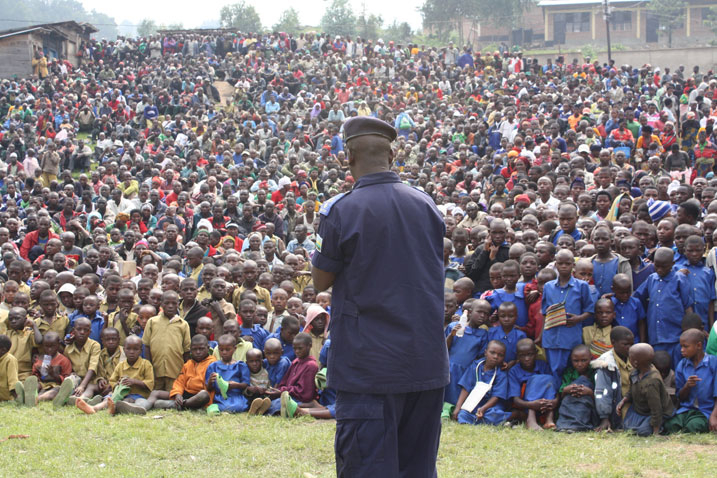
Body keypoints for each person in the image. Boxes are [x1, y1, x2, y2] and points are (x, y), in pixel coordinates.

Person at [311, 117, 448, 477]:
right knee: (417, 468)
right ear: (393, 154)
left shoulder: (340, 210)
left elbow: (319, 281)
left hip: (367, 364)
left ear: (347, 157)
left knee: (366, 468)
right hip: (424, 361)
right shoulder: (426, 204)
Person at [664, 329, 717, 433]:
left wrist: (714, 416)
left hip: (706, 411)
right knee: (670, 426)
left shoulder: (713, 363)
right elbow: (680, 396)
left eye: (686, 346)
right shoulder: (682, 365)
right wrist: (687, 386)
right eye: (681, 346)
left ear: (698, 346)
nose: (682, 350)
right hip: (687, 410)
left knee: (693, 427)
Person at [618, 343, 674, 436]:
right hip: (640, 410)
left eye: (630, 358)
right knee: (627, 428)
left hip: (654, 413)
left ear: (635, 362)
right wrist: (624, 401)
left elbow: (656, 408)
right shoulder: (635, 373)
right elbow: (632, 390)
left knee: (643, 432)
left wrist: (656, 431)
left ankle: (658, 427)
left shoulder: (652, 382)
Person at [148, 335, 216, 411]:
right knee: (155, 393)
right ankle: (143, 407)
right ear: (190, 350)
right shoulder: (188, 364)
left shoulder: (212, 363)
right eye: (194, 349)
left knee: (204, 395)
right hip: (185, 393)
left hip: (199, 395)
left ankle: (180, 405)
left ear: (208, 348)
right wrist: (178, 394)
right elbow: (179, 382)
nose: (198, 352)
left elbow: (211, 387)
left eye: (201, 349)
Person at [452, 340, 511, 426]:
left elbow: (496, 397)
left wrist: (483, 408)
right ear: (485, 352)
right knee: (463, 414)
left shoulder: (501, 374)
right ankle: (482, 421)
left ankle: (513, 415)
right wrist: (458, 407)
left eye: (500, 355)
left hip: (490, 406)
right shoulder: (475, 366)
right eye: (492, 353)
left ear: (504, 357)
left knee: (493, 414)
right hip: (474, 403)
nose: (495, 357)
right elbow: (465, 388)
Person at [142, 291, 191, 392]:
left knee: (172, 392)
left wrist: (185, 370)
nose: (170, 306)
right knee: (154, 391)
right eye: (167, 303)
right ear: (161, 304)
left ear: (178, 304)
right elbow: (146, 345)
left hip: (175, 369)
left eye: (174, 303)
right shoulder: (152, 322)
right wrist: (149, 366)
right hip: (156, 368)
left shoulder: (183, 324)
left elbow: (186, 350)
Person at [508, 338, 557, 430]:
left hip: (545, 405)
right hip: (525, 406)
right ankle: (531, 419)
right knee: (534, 380)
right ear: (517, 356)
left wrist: (555, 401)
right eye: (522, 356)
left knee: (549, 378)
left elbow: (553, 386)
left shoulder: (543, 365)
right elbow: (515, 400)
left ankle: (549, 418)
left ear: (536, 353)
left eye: (530, 354)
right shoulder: (514, 371)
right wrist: (531, 404)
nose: (527, 359)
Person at [593, 326, 635, 431]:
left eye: (631, 344)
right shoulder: (606, 363)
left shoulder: (635, 356)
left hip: (635, 402)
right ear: (613, 342)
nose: (629, 347)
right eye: (625, 344)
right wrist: (604, 418)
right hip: (617, 406)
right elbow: (602, 391)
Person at [555, 344, 598, 431]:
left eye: (584, 360)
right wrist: (568, 389)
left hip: (588, 406)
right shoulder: (569, 372)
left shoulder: (595, 372)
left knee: (583, 381)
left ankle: (578, 424)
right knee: (569, 399)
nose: (579, 364)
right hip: (570, 403)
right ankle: (565, 424)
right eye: (576, 361)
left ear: (591, 358)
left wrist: (589, 392)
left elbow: (600, 397)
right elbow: (562, 395)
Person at [205, 334, 251, 414]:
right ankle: (218, 408)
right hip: (220, 397)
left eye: (227, 349)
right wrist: (210, 382)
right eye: (221, 350)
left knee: (239, 406)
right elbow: (209, 388)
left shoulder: (240, 366)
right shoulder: (213, 366)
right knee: (220, 405)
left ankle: (221, 410)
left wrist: (235, 385)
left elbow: (246, 384)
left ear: (235, 349)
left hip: (236, 396)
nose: (224, 352)